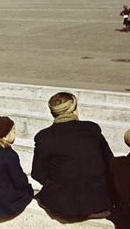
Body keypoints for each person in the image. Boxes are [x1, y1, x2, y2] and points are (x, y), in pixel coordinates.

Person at [31, 92, 113, 221]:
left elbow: (37, 173)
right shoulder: (92, 128)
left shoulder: (44, 136)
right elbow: (110, 161)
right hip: (98, 203)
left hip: (63, 206)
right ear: (74, 110)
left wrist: (57, 184)